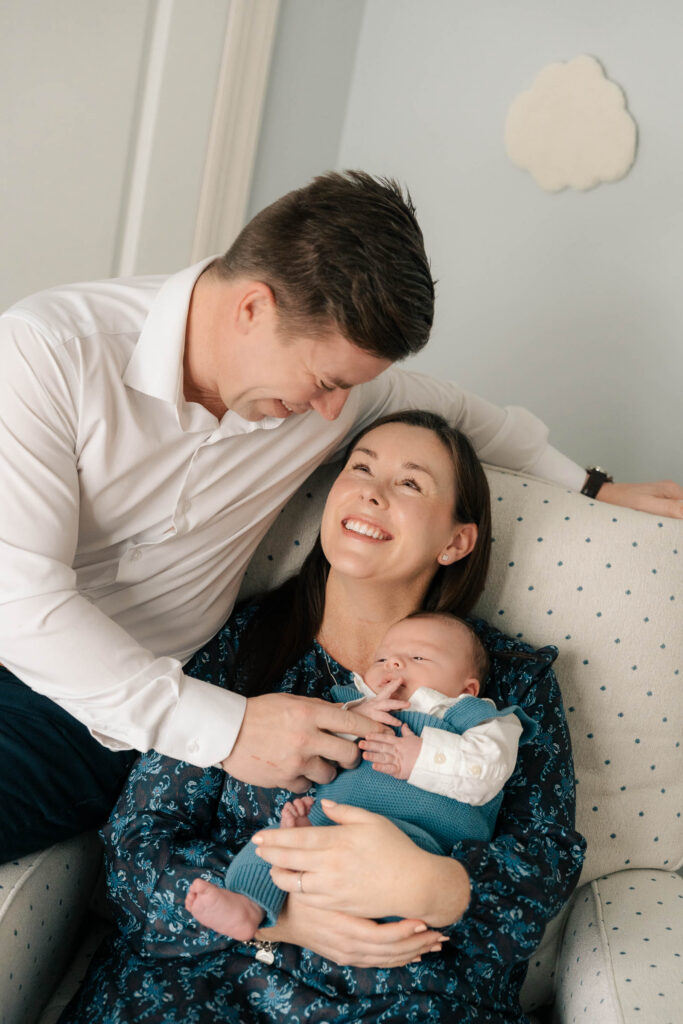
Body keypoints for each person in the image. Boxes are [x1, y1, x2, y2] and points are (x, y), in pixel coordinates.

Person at [1, 171, 679, 862]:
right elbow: (21, 598)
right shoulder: (48, 352)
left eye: (349, 389)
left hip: (85, 718)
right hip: (45, 654)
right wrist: (232, 730)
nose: (335, 414)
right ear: (252, 308)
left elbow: (471, 416)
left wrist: (591, 485)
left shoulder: (334, 397)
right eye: (327, 383)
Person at [59, 412, 586, 1024]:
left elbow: (546, 860)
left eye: (411, 483)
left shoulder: (505, 680)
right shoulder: (241, 646)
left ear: (456, 541)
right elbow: (138, 844)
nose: (371, 490)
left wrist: (436, 887)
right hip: (209, 981)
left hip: (406, 994)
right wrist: (284, 921)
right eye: (360, 467)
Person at [185, 612, 538, 942]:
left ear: (469, 688)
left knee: (386, 871)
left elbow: (488, 770)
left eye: (419, 658)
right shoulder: (353, 705)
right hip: (332, 821)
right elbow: (310, 752)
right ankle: (248, 904)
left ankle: (366, 920)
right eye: (383, 659)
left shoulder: (477, 719)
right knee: (273, 843)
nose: (394, 663)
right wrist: (355, 718)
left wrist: (422, 757)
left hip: (420, 837)